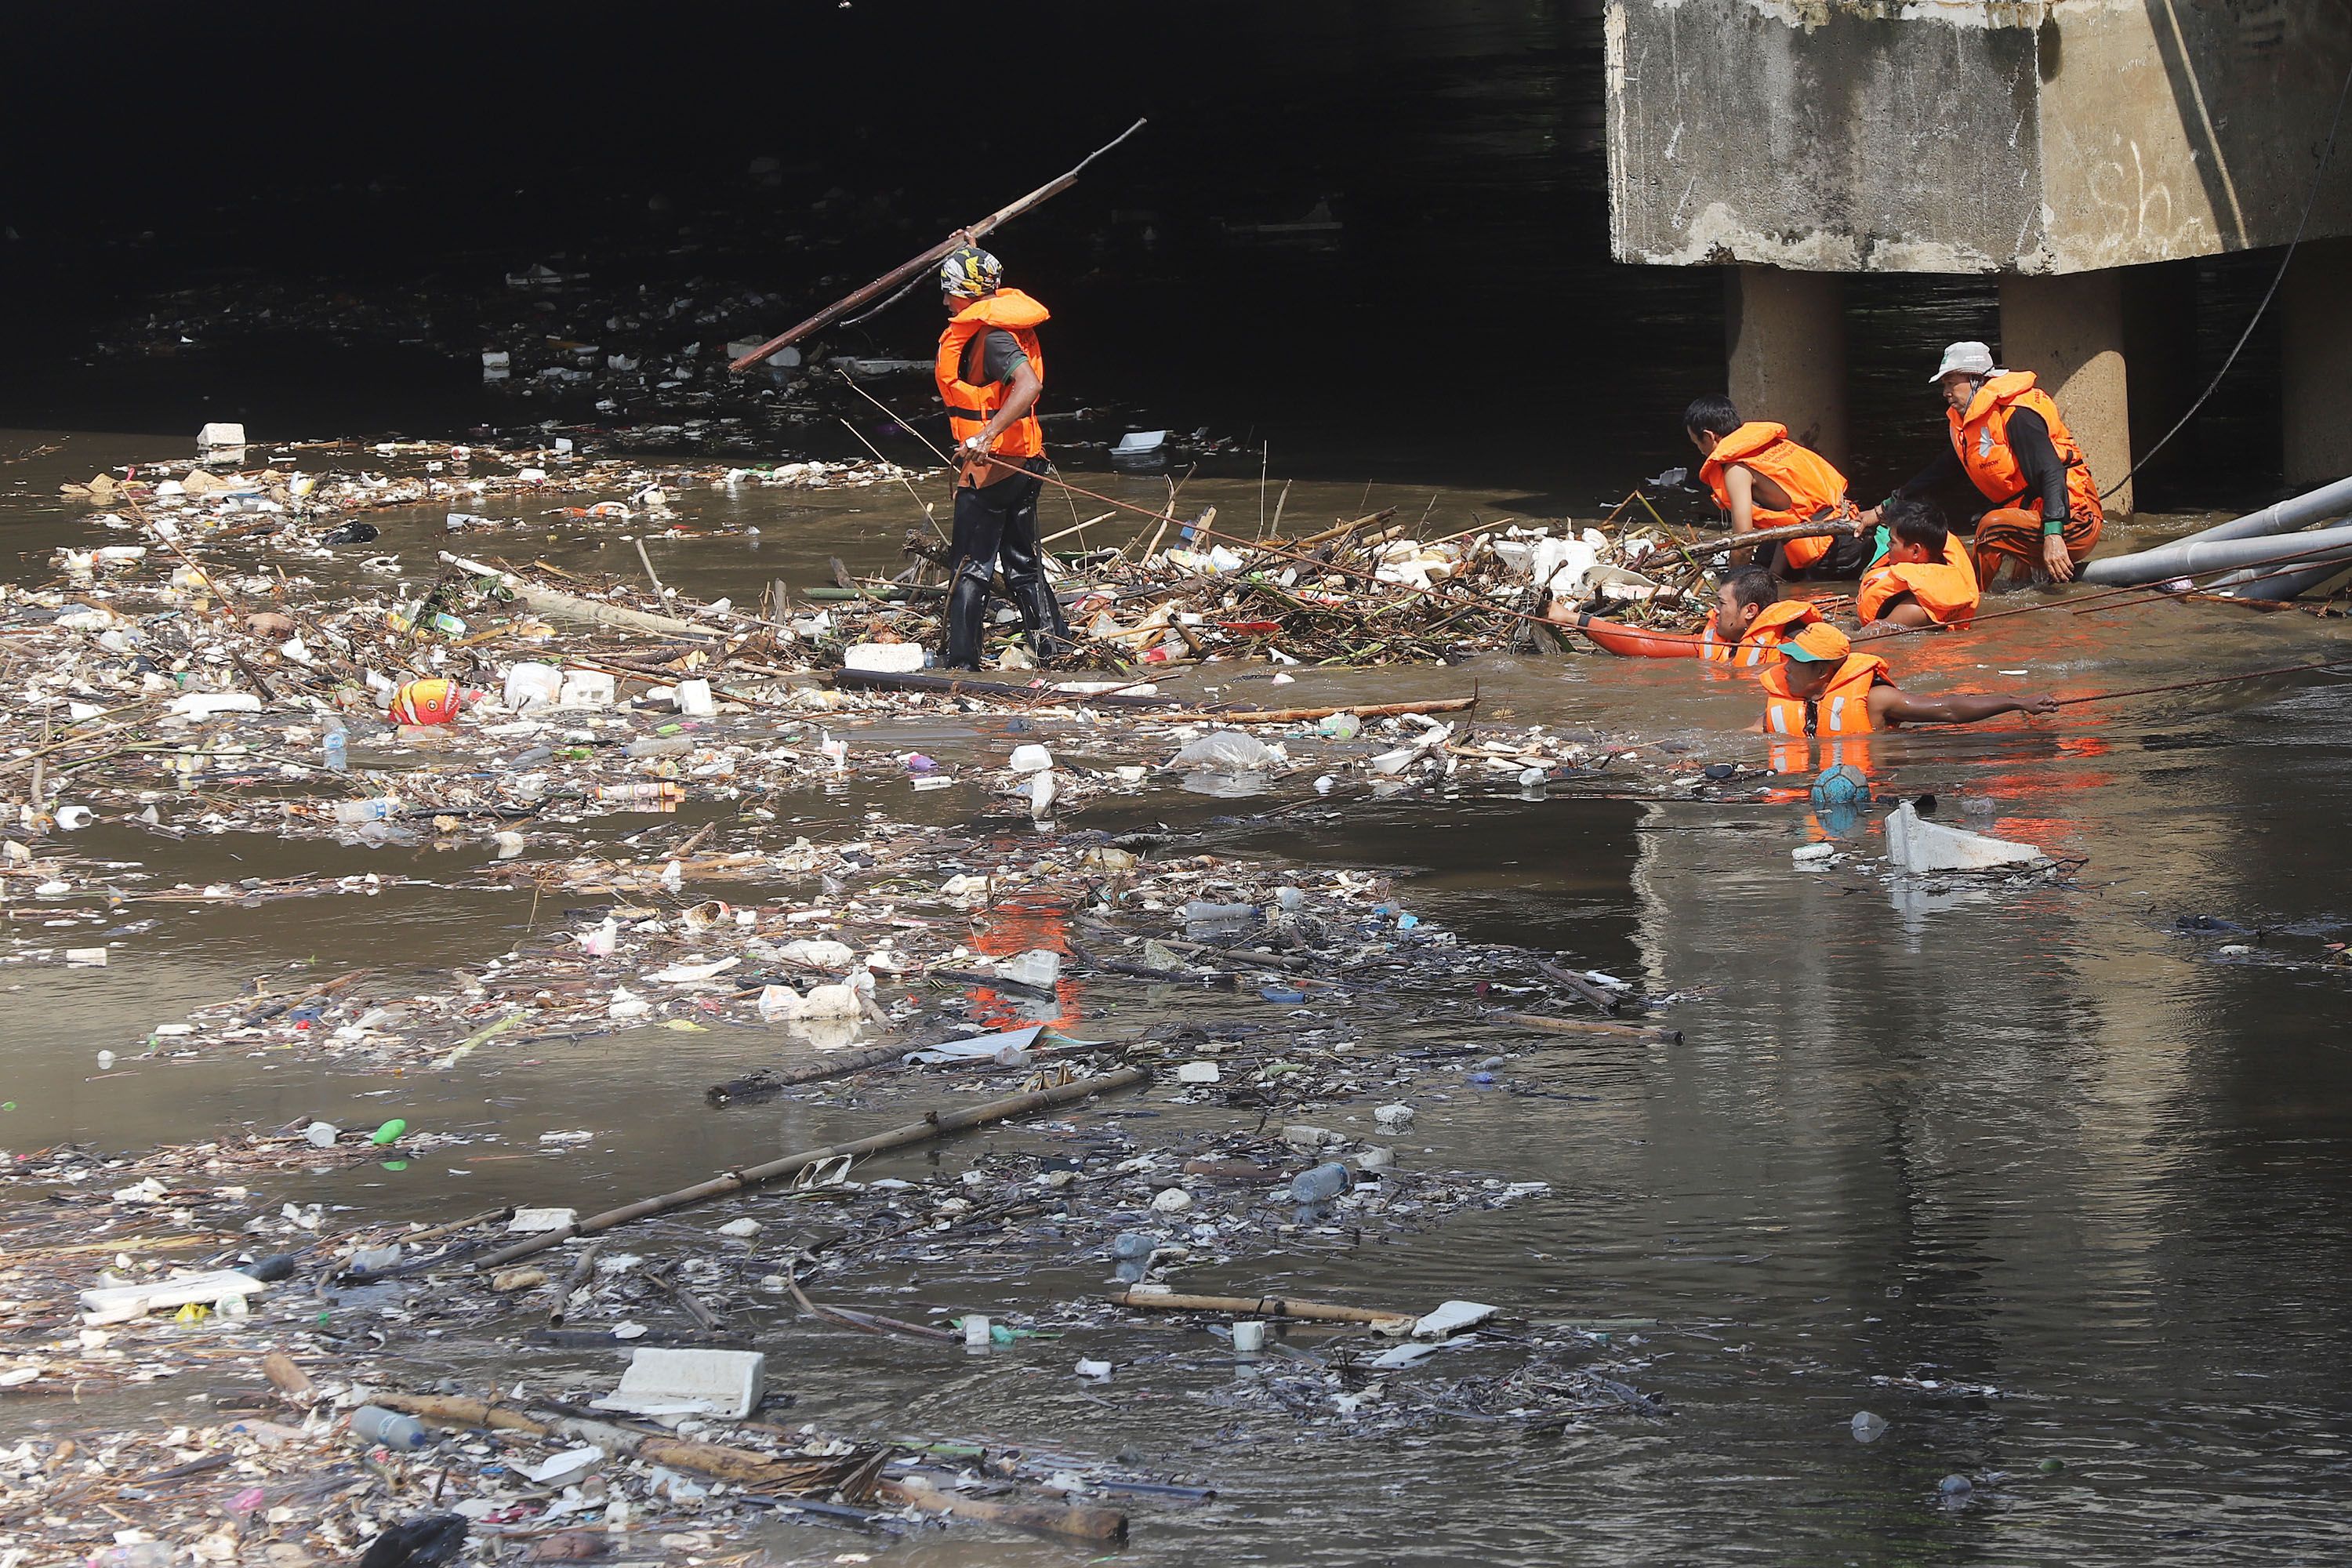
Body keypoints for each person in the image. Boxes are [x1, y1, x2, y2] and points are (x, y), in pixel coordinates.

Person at [934, 241, 1071, 668]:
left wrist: (987, 435)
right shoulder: (1003, 324)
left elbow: (1029, 385)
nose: (945, 300)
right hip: (1026, 462)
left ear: (969, 293)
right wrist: (968, 247)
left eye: (949, 290)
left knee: (969, 568)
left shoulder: (992, 337)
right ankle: (1055, 649)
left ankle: (962, 663)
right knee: (1024, 564)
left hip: (993, 468)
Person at [1867, 341, 2103, 587]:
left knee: (1991, 527)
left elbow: (2051, 471)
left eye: (1951, 383)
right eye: (1944, 385)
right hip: (2031, 519)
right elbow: (1936, 475)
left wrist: (2054, 535)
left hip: (2075, 520)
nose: (1945, 392)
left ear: (1977, 380)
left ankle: (1972, 597)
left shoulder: (2017, 415)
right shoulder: (1969, 426)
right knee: (2018, 581)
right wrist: (1882, 510)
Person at [1759, 621, 2056, 740]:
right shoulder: (1792, 700)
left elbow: (1948, 710)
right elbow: (1747, 734)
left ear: (1821, 672)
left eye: (1795, 661)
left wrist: (2018, 703)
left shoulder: (1876, 699)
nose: (1785, 667)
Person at [1684, 395, 1871, 579]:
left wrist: (1731, 584)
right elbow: (1792, 516)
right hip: (1853, 530)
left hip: (1833, 552)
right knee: (1765, 556)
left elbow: (1744, 544)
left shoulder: (1736, 470)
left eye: (1697, 443)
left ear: (1709, 437)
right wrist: (1774, 575)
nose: (1700, 451)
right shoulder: (1775, 444)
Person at [1854, 497, 1979, 631]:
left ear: (1915, 551)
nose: (1888, 545)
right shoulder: (1940, 561)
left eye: (1893, 541)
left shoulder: (1913, 610)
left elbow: (1871, 637)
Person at [1700, 565, 1823, 666]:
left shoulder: (1794, 644)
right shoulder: (1728, 635)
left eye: (1722, 603)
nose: (1715, 610)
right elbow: (1690, 644)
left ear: (1750, 611)